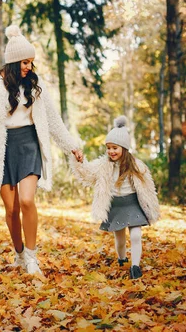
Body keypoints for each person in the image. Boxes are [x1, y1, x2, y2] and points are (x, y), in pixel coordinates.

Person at [0, 25, 84, 276]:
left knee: (27, 200)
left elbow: (53, 121)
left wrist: (72, 146)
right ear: (12, 62)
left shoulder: (34, 85)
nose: (29, 68)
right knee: (11, 209)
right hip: (1, 148)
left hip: (29, 143)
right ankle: (20, 254)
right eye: (24, 62)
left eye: (31, 63)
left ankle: (32, 258)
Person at [69, 116, 160, 279]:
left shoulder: (136, 165)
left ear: (124, 148)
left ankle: (135, 267)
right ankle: (122, 259)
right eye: (108, 148)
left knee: (136, 235)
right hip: (116, 206)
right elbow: (87, 174)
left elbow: (147, 187)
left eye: (115, 148)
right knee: (120, 240)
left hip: (133, 204)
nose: (111, 151)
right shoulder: (103, 165)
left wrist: (150, 206)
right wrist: (79, 162)